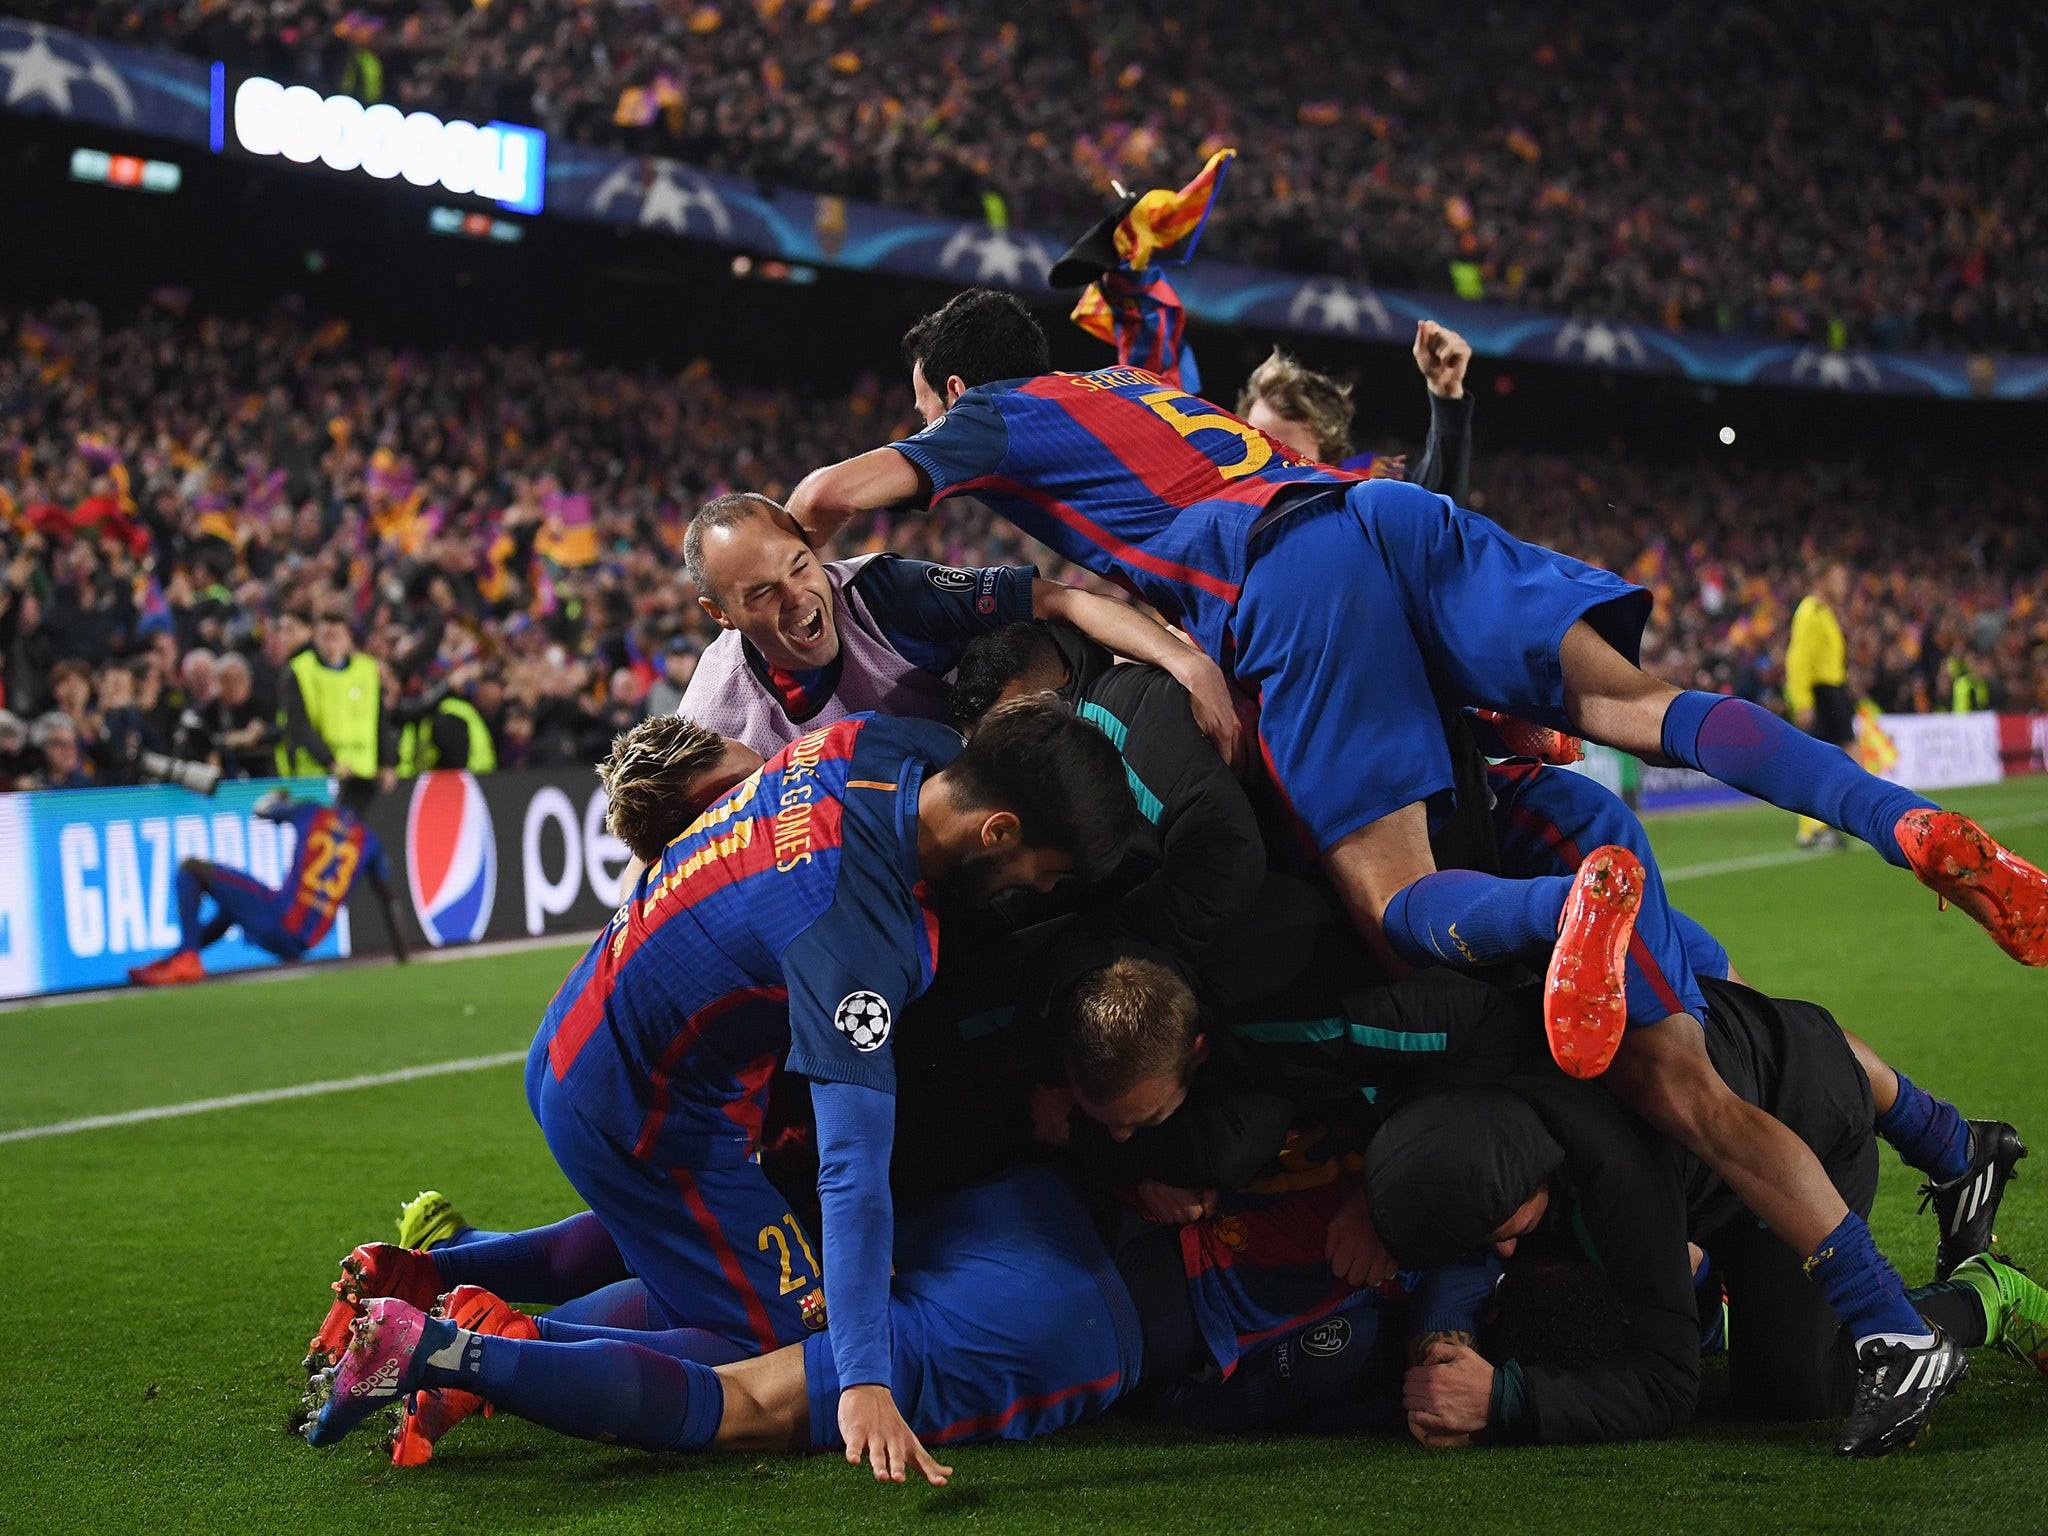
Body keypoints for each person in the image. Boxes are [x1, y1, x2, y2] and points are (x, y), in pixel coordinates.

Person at [312, 701, 1137, 1486]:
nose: (1041, 889)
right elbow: (851, 1172)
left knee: (701, 1265)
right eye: (1046, 870)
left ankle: (430, 1280)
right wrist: (865, 1380)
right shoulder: (857, 937)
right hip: (641, 1117)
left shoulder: (882, 743)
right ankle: (475, 1344)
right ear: (999, 830)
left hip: (583, 1035)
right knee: (779, 1349)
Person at [299, 1166, 1493, 1476]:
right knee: (754, 1406)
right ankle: (446, 1348)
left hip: (1019, 1196)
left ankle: (468, 1312)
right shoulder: (1469, 1244)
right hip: (1077, 1317)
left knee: (758, 1298)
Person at [1361, 976, 2037, 1455]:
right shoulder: (1476, 1114)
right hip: (1727, 1093)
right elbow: (1470, 1226)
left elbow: (1667, 1385)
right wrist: (1445, 1329)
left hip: (1802, 1137)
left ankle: (1986, 1293)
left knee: (1795, 1389)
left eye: (1504, 1228)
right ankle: (1715, 1287)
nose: (1501, 1251)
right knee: (1560, 1297)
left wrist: (1505, 1401)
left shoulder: (1617, 1173)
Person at [678, 492, 1236, 759]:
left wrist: (1183, 661)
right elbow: (654, 854)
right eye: (761, 593)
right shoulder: (711, 708)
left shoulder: (885, 594)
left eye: (799, 565)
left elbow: (1061, 602)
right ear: (720, 614)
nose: (796, 596)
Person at [948, 619, 1265, 956]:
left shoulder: (1125, 724)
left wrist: (1107, 939)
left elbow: (1229, 856)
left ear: (1033, 693)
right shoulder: (1078, 742)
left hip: (1264, 927)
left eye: (1003, 731)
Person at [126, 777, 411, 985]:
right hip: (305, 941)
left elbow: (262, 809)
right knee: (233, 906)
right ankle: (173, 961)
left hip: (279, 918)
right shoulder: (370, 842)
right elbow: (389, 898)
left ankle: (187, 957)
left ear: (341, 793)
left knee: (192, 868)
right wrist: (403, 958)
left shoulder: (313, 812)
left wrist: (279, 798)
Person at [275, 607, 396, 794]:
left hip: (363, 773)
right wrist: (329, 761)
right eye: (326, 637)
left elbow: (380, 718)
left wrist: (387, 762)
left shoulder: (367, 670)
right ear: (315, 637)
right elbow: (298, 724)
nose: (332, 643)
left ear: (348, 638)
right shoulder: (300, 670)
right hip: (317, 776)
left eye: (336, 636)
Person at [1786, 560, 1854, 851]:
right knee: (1826, 760)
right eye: (1838, 578)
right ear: (1823, 580)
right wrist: (1803, 702)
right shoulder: (1810, 612)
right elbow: (1798, 660)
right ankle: (1815, 828)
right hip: (1821, 693)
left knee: (1839, 758)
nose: (1844, 586)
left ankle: (1821, 825)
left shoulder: (1823, 612)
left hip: (1832, 691)